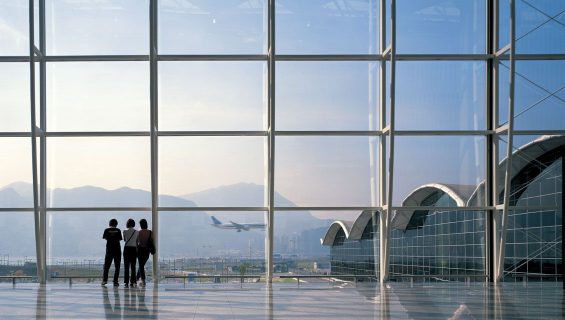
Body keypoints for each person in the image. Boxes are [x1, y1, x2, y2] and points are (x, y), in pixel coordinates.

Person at [102, 218, 122, 286]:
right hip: (117, 250)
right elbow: (119, 239)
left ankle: (104, 280)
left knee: (106, 266)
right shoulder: (118, 230)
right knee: (117, 266)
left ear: (109, 224)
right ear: (116, 224)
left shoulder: (106, 230)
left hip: (109, 250)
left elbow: (105, 238)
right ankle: (115, 281)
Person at [136, 219, 154, 287]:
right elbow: (151, 240)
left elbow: (137, 241)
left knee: (141, 265)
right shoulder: (150, 232)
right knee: (141, 265)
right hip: (147, 251)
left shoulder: (139, 232)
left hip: (140, 250)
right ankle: (137, 278)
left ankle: (143, 280)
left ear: (140, 225)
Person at [122, 218, 138, 288]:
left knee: (126, 266)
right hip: (134, 249)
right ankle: (133, 281)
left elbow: (125, 240)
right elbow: (137, 241)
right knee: (133, 266)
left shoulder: (124, 231)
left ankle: (126, 282)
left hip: (127, 249)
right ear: (133, 224)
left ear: (127, 224)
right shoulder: (137, 232)